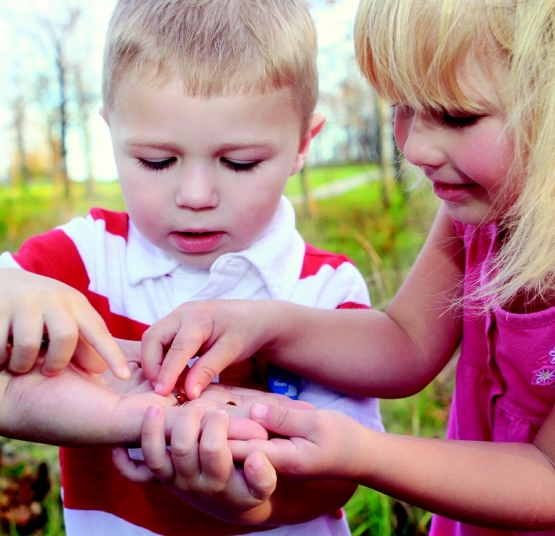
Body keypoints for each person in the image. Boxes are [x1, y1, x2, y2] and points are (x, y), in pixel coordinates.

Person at [142, 0, 555, 533]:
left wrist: (363, 453)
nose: (419, 147)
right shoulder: (479, 218)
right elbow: (405, 344)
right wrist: (264, 323)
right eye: (402, 108)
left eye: (457, 116)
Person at [0, 0, 384, 534]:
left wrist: (250, 502)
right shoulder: (83, 258)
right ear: (110, 133)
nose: (196, 195)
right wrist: (11, 287)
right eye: (157, 161)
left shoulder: (324, 291)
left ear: (302, 145)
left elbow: (346, 471)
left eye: (239, 163)